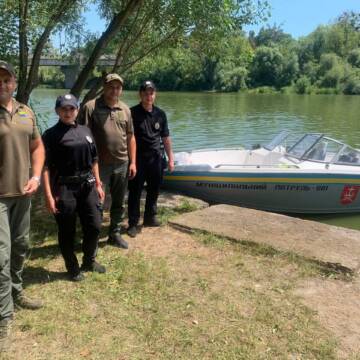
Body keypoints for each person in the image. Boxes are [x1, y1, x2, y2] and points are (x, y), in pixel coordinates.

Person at [0, 61, 45, 351]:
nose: (2, 84)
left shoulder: (26, 112)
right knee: (0, 255)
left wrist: (36, 176)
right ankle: (4, 314)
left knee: (20, 245)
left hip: (23, 194)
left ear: (14, 83)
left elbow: (37, 147)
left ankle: (16, 292)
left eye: (7, 79)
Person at [42, 94, 106, 282]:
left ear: (77, 110)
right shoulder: (51, 135)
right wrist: (47, 195)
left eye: (71, 108)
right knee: (67, 230)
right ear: (57, 111)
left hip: (88, 185)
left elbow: (94, 159)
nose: (68, 112)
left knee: (94, 225)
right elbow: (45, 168)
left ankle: (89, 260)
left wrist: (99, 183)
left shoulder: (86, 131)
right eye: (64, 108)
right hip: (64, 188)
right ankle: (72, 268)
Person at [78, 74, 136, 249]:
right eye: (111, 86)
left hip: (122, 163)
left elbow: (131, 136)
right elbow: (82, 136)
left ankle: (114, 233)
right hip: (98, 166)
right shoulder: (90, 107)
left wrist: (133, 162)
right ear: (104, 86)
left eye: (118, 87)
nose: (114, 90)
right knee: (96, 202)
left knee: (119, 201)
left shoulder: (125, 109)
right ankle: (92, 237)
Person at [127, 80, 174, 237]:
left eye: (151, 93)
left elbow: (165, 137)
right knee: (135, 191)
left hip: (156, 159)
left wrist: (171, 158)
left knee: (154, 189)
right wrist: (131, 161)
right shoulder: (131, 113)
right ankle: (133, 223)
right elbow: (128, 137)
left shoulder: (160, 114)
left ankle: (149, 217)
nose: (149, 96)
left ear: (155, 94)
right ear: (140, 94)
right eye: (146, 93)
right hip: (138, 159)